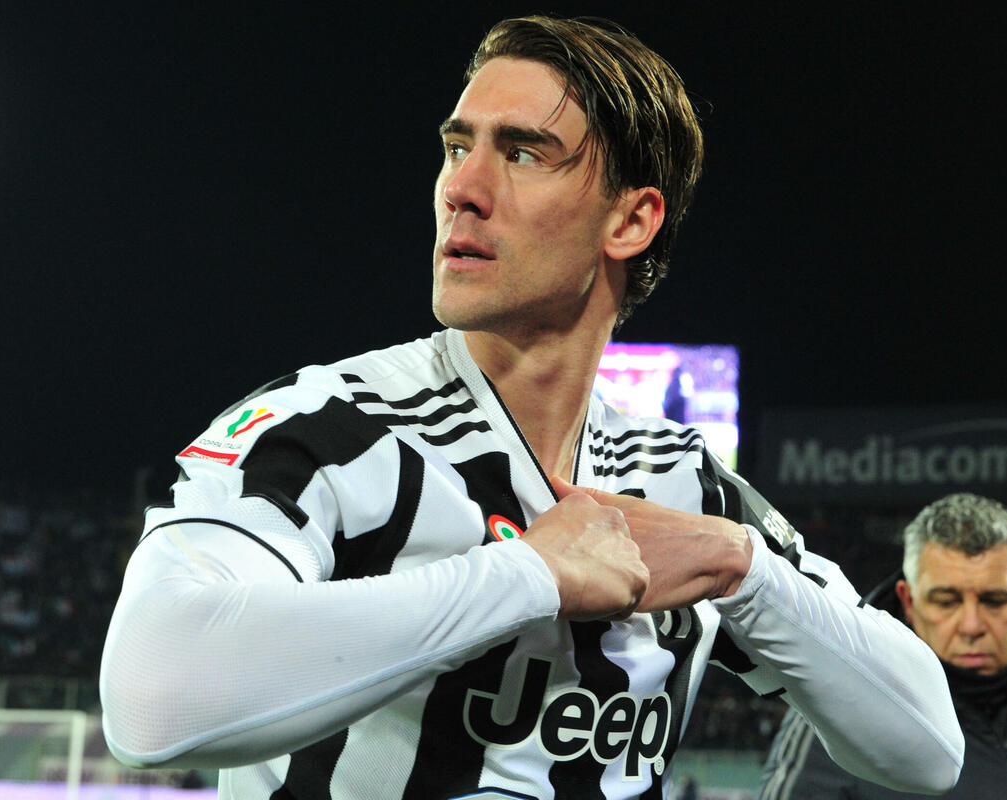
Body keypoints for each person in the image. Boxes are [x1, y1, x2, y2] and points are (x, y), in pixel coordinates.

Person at [100, 16, 963, 800]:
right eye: (456, 147)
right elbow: (151, 700)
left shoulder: (684, 486)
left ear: (631, 222)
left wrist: (744, 568)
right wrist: (528, 576)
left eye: (521, 154)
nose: (461, 189)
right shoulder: (331, 430)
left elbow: (928, 749)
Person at [758, 493, 1007, 800]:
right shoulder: (841, 714)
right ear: (909, 602)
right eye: (946, 601)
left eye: (994, 601)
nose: (971, 626)